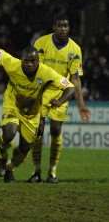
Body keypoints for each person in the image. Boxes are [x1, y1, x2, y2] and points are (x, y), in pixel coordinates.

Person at [0, 47, 75, 182]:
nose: (29, 64)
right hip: (12, 105)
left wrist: (59, 101)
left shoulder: (46, 72)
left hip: (32, 113)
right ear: (21, 60)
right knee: (9, 133)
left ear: (38, 61)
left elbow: (70, 87)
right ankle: (2, 156)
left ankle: (10, 168)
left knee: (24, 148)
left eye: (32, 61)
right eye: (26, 61)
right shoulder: (12, 64)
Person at [28, 15, 91, 183]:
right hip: (41, 91)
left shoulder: (75, 49)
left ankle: (52, 171)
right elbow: (32, 69)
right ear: (54, 26)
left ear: (69, 28)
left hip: (61, 92)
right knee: (37, 133)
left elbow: (75, 79)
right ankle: (36, 171)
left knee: (55, 131)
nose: (63, 28)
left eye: (66, 25)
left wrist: (81, 105)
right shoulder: (41, 43)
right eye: (60, 25)